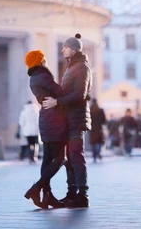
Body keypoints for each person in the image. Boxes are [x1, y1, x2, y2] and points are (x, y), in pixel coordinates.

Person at [43, 33, 92, 208]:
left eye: (65, 47)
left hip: (76, 120)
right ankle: (72, 194)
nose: (62, 49)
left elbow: (80, 95)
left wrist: (57, 102)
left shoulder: (81, 68)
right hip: (68, 120)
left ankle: (82, 195)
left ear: (74, 49)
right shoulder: (72, 66)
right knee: (70, 159)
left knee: (76, 157)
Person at [23, 50, 67, 209]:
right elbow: (62, 93)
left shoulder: (34, 78)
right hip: (54, 120)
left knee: (47, 159)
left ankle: (48, 196)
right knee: (60, 158)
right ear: (41, 61)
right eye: (44, 58)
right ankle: (36, 189)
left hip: (45, 119)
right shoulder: (44, 76)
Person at [89, 98, 106, 162]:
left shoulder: (90, 110)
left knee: (93, 143)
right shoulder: (100, 110)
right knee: (99, 142)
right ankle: (98, 152)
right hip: (99, 129)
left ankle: (94, 156)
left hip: (92, 129)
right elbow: (104, 121)